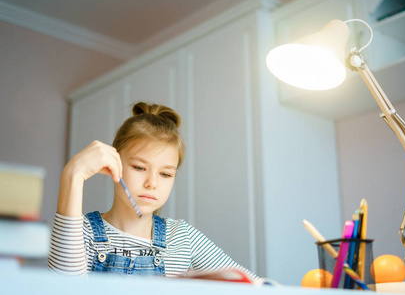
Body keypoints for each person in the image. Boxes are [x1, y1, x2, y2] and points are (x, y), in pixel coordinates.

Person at [48, 102, 256, 279]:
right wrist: (73, 174)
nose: (152, 183)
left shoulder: (183, 238)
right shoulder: (80, 231)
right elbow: (62, 288)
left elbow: (253, 286)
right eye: (139, 168)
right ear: (113, 163)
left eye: (165, 174)